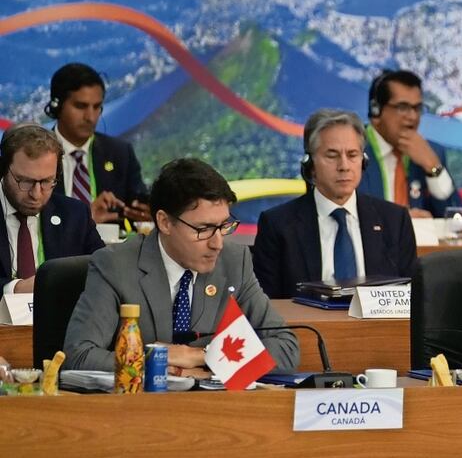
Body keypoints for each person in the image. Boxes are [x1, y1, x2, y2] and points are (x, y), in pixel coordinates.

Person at [64, 158, 298, 376]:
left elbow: (285, 348)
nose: (217, 243)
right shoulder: (115, 265)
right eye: (203, 229)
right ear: (165, 222)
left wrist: (203, 357)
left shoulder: (235, 261)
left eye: (224, 226)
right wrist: (161, 361)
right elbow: (80, 356)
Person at [254, 109, 417, 299]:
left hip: (377, 328)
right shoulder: (277, 225)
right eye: (332, 155)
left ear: (363, 162)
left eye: (352, 154)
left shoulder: (394, 221)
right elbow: (268, 306)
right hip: (308, 327)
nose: (344, 166)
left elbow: (411, 298)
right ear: (310, 164)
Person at [0, 124, 104, 294]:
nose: (36, 194)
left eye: (47, 181)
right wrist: (15, 288)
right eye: (25, 181)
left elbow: (103, 271)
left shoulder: (75, 214)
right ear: (4, 169)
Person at [45, 63, 150, 224]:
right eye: (81, 106)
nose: (90, 117)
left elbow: (139, 203)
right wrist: (86, 219)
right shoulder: (35, 156)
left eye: (97, 107)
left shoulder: (120, 153)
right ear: (56, 105)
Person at [358, 69, 462, 218]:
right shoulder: (351, 150)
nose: (413, 117)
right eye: (403, 107)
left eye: (417, 108)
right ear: (376, 111)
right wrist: (399, 221)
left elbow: (457, 219)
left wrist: (433, 167)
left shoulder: (432, 152)